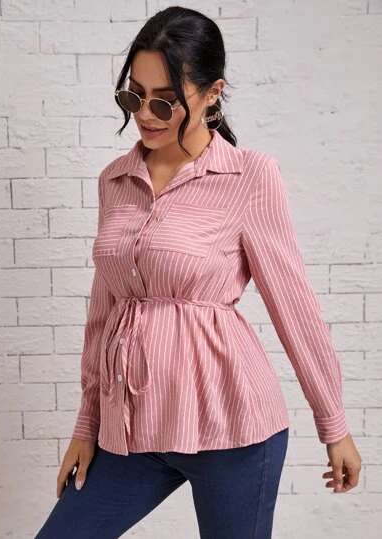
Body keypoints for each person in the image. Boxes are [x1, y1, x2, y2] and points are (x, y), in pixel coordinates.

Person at [35, 6, 362, 539]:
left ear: (212, 94)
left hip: (234, 430)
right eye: (133, 96)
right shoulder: (114, 180)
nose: (145, 114)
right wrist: (86, 424)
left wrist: (334, 425)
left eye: (165, 100)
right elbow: (103, 313)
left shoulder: (249, 176)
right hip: (133, 430)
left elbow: (295, 308)